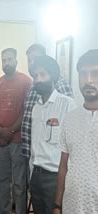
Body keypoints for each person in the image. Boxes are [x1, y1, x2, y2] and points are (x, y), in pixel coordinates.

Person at [28, 55, 76, 214]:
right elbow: (35, 145)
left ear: (53, 76)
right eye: (35, 76)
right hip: (36, 175)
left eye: (43, 74)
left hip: (55, 178)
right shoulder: (36, 108)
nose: (38, 80)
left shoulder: (67, 104)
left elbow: (72, 148)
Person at [54, 50, 98, 214]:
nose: (88, 80)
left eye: (95, 73)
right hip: (71, 205)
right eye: (83, 74)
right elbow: (63, 166)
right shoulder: (70, 118)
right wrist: (57, 205)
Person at [0, 48, 32, 214]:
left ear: (16, 61)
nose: (6, 63)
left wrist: (11, 130)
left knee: (20, 184)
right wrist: (1, 130)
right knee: (2, 182)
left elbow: (26, 109)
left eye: (9, 59)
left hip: (18, 140)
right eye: (4, 60)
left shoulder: (26, 81)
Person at [21, 44, 73, 158]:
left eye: (36, 59)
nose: (32, 63)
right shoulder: (34, 86)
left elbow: (68, 130)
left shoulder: (60, 86)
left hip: (52, 161)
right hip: (32, 154)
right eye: (29, 60)